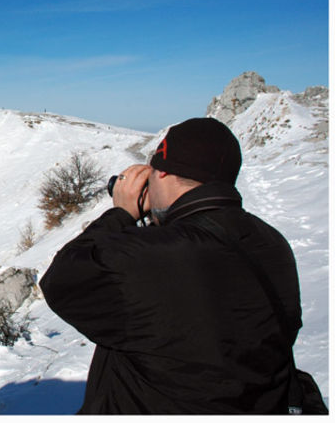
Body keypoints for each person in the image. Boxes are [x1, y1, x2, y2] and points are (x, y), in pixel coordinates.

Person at [39, 117, 302, 414]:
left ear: (162, 172)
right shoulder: (272, 243)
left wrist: (121, 215)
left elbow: (60, 282)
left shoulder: (154, 255)